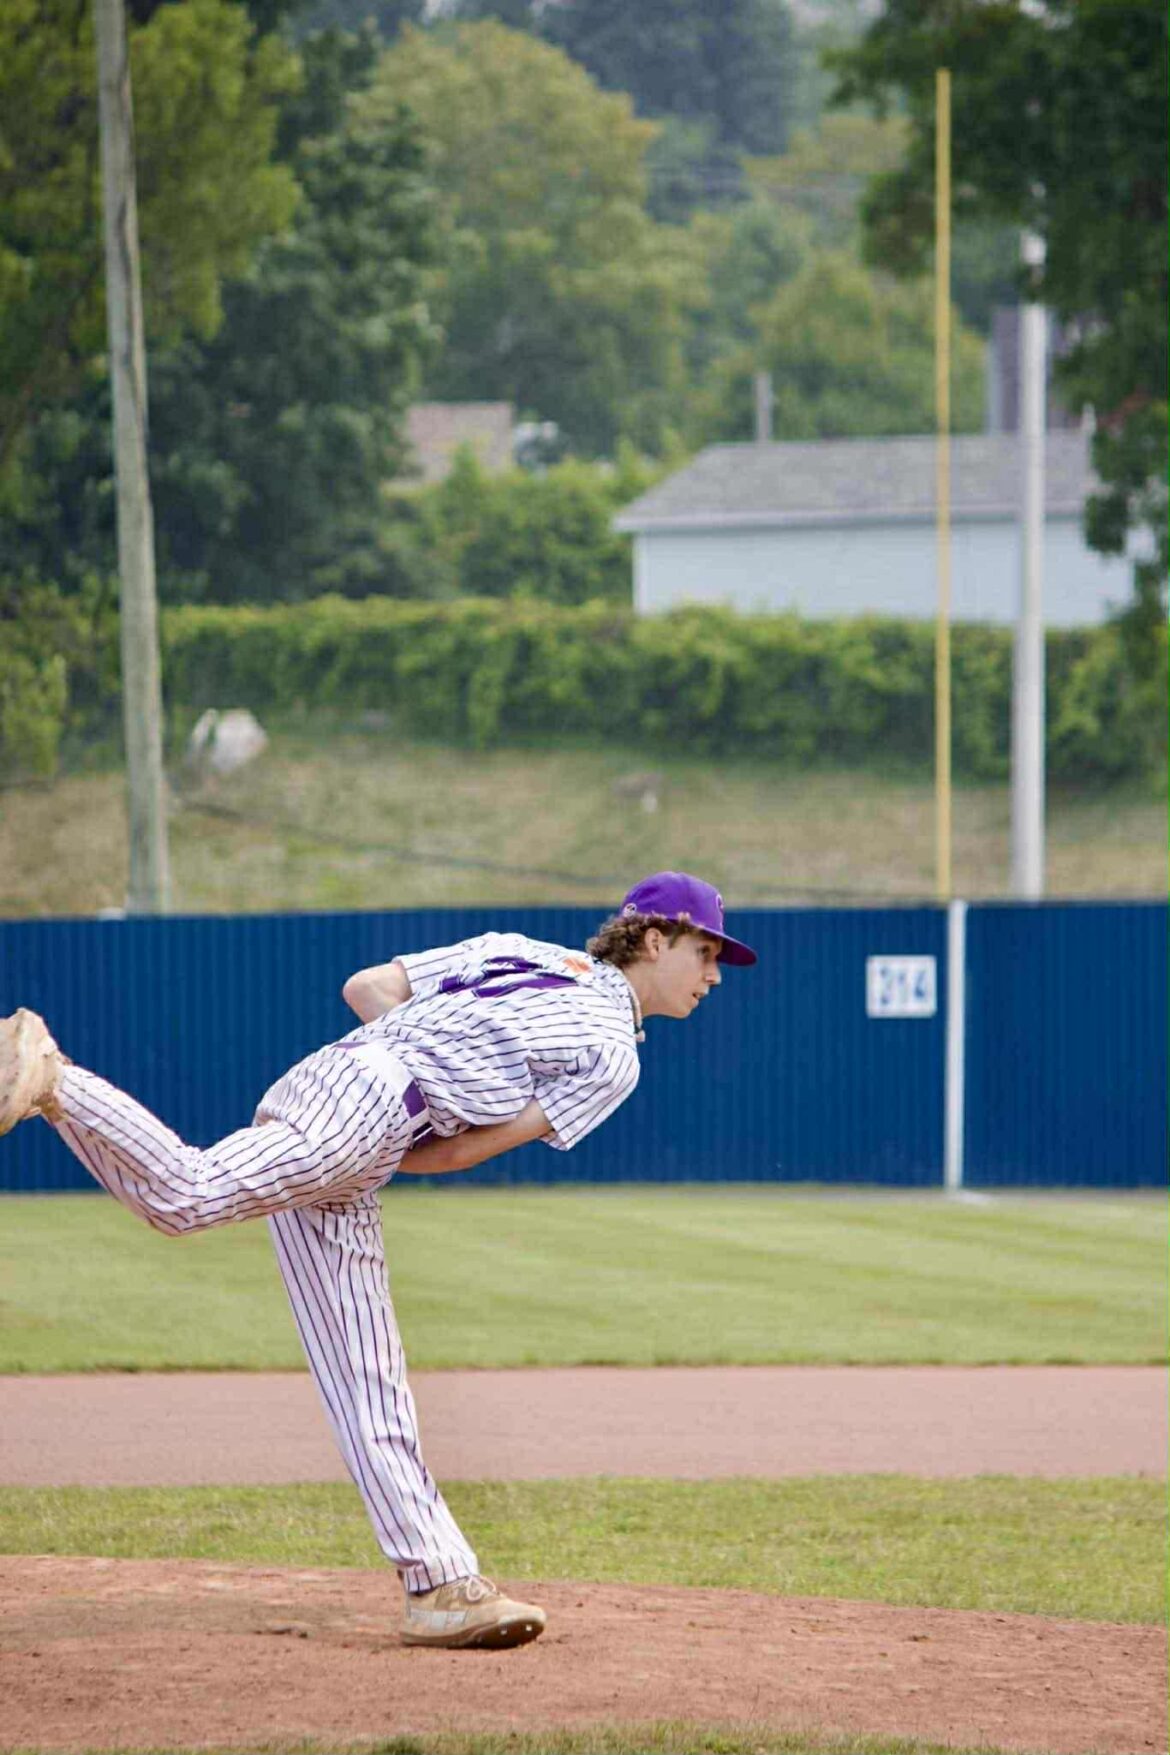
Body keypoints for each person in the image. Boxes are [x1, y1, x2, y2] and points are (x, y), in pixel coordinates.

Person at [0, 871, 756, 1650]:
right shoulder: (614, 1055)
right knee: (186, 1195)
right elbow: (462, 1151)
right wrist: (390, 1113)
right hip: (374, 1112)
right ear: (654, 939)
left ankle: (440, 1582)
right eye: (705, 952)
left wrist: (407, 1070)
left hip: (348, 1083)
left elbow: (368, 987)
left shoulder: (524, 950)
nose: (714, 974)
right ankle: (57, 1078)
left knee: (367, 1372)